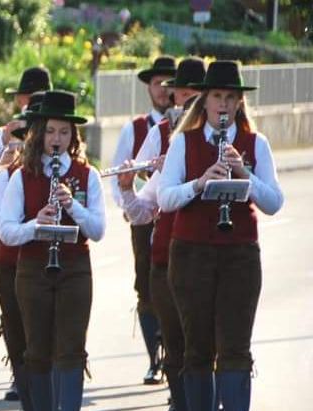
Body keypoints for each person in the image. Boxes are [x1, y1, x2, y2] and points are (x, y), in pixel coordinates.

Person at [157, 60, 283, 411]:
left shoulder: (256, 143)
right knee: (197, 348)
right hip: (190, 254)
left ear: (240, 102)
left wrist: (244, 174)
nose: (224, 104)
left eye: (230, 97)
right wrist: (199, 183)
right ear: (205, 100)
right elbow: (165, 198)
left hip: (239, 255)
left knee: (235, 348)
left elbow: (274, 202)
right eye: (216, 96)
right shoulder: (184, 142)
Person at [0, 90, 106, 411]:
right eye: (49, 131)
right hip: (32, 270)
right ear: (39, 133)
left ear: (73, 135)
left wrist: (72, 205)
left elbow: (98, 231)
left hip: (75, 268)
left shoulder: (88, 175)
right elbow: (7, 230)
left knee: (72, 348)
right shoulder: (22, 176)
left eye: (63, 131)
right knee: (38, 349)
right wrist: (36, 223)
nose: (56, 139)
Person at [119, 56, 206, 410]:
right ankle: (178, 394)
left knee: (207, 344)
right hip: (166, 252)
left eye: (193, 95)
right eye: (180, 95)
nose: (184, 103)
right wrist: (129, 186)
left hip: (211, 255)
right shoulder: (160, 133)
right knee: (175, 342)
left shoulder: (231, 140)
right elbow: (142, 207)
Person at [0, 66, 52, 403]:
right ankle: (23, 379)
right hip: (10, 248)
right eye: (29, 100)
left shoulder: (63, 134)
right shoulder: (8, 135)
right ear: (19, 101)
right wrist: (6, 140)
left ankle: (46, 385)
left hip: (51, 248)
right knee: (13, 317)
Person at [112, 56, 177, 385]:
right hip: (146, 214)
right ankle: (156, 359)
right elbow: (121, 171)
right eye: (157, 83)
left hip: (182, 213)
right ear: (148, 88)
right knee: (147, 286)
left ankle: (177, 361)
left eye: (170, 84)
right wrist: (127, 201)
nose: (164, 90)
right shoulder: (137, 128)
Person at [0, 91, 46, 410]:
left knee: (50, 336)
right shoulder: (8, 171)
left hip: (56, 265)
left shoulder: (72, 171)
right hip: (12, 264)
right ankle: (28, 399)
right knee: (16, 331)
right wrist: (22, 218)